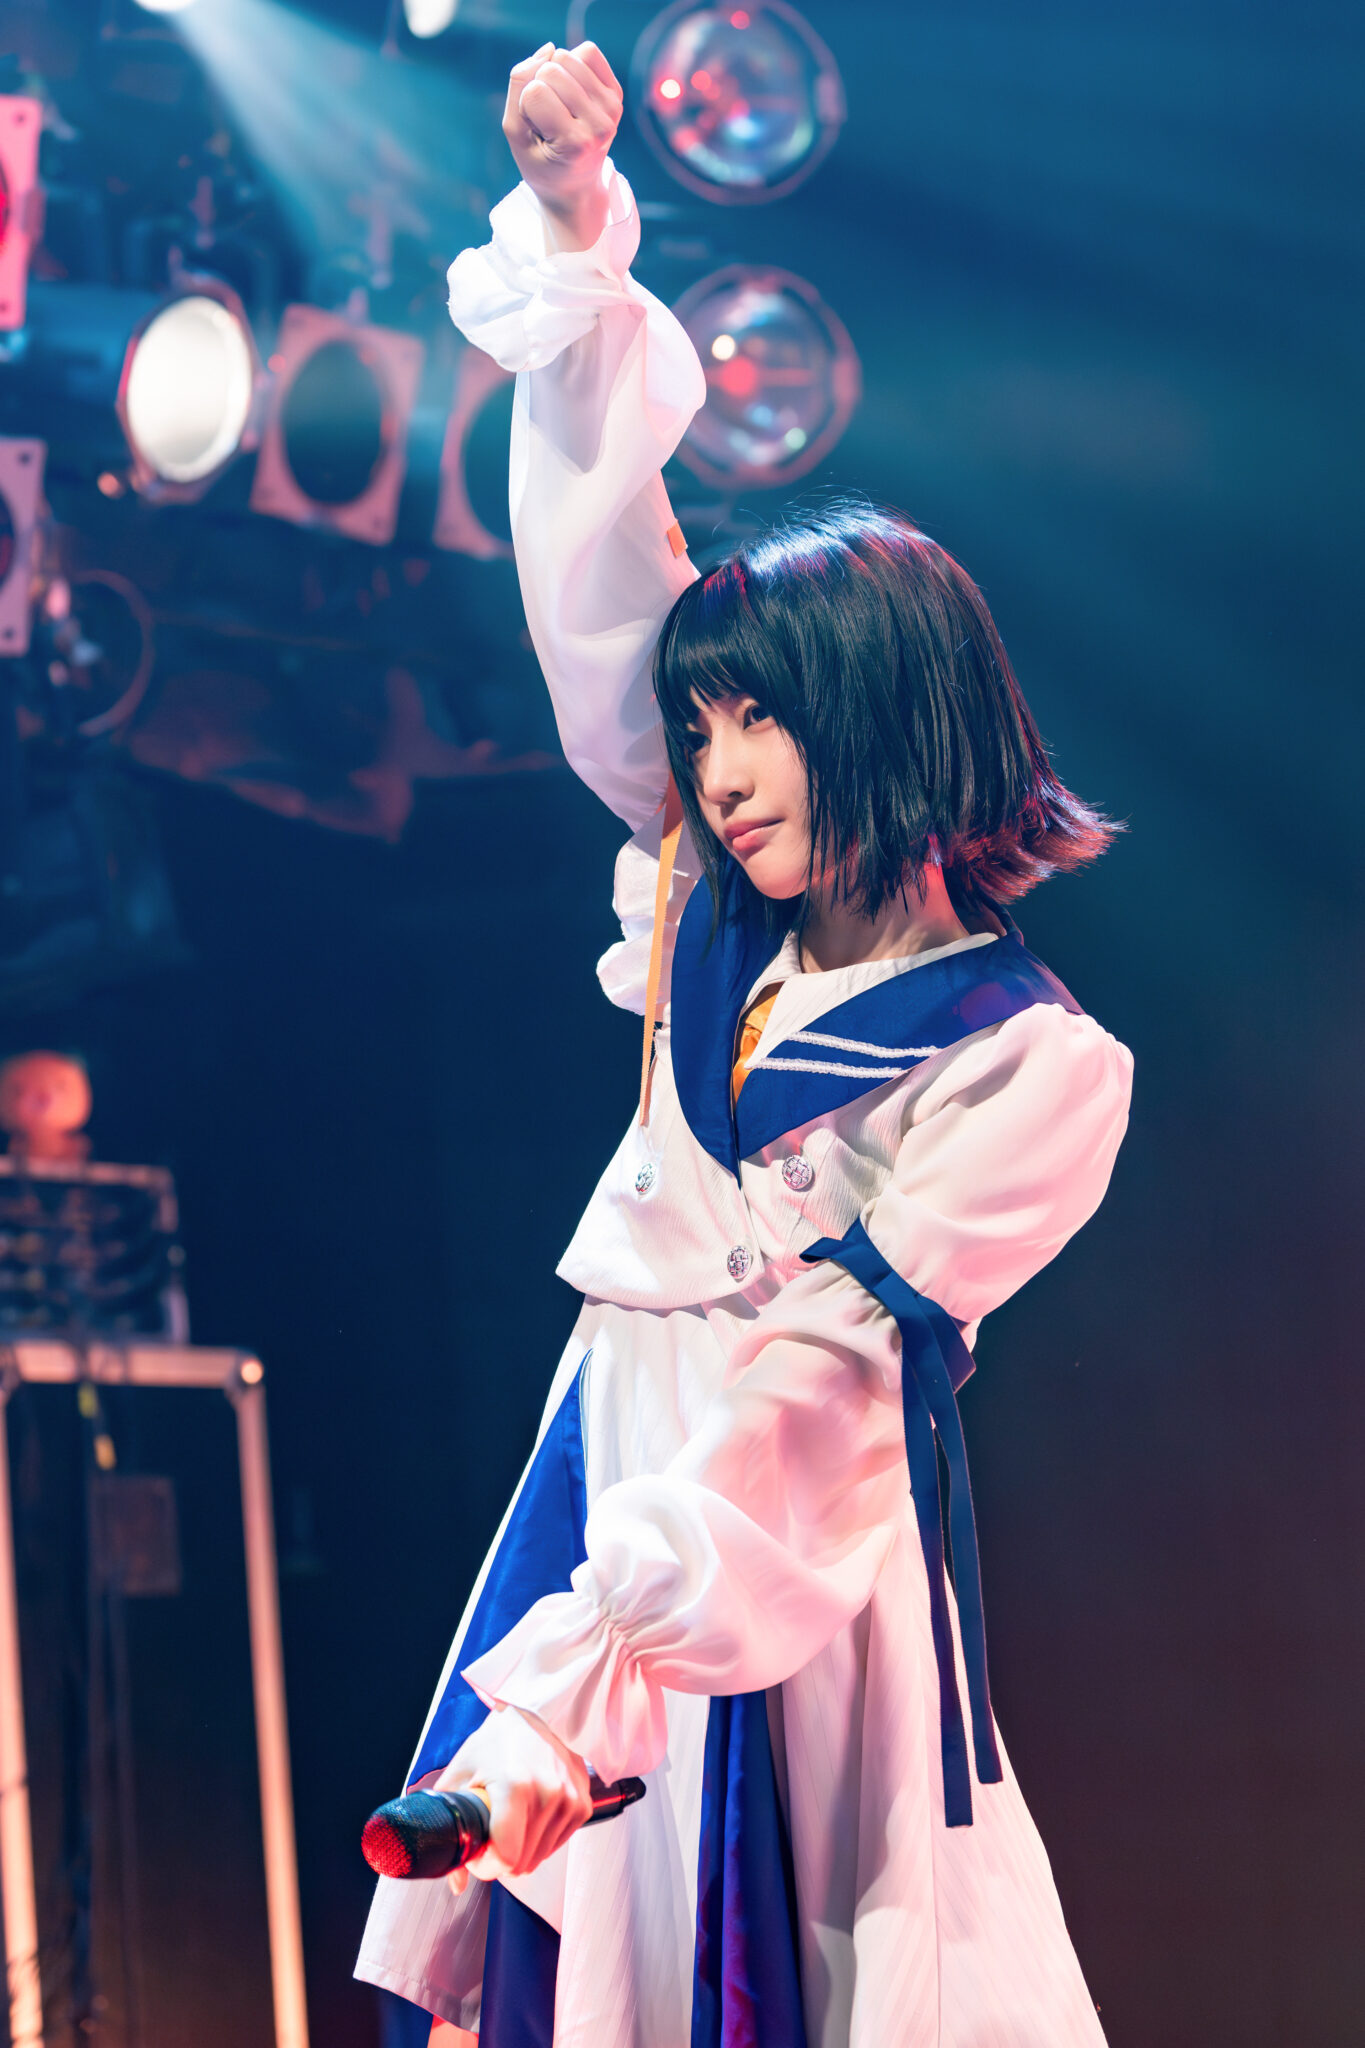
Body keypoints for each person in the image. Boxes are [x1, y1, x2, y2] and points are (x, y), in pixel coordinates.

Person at [357, 40, 1133, 2048]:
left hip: (779, 1541)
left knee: (793, 1951)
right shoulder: (703, 904)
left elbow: (834, 1382)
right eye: (700, 727)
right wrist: (574, 238)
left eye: (760, 718)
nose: (711, 765)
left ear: (886, 712)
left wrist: (593, 1668)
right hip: (612, 1462)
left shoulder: (1025, 1064)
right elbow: (599, 594)